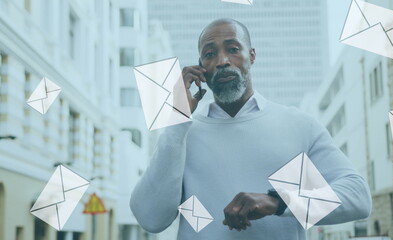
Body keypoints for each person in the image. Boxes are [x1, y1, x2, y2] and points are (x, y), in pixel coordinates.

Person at [130, 18, 372, 239]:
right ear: (201, 67)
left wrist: (278, 203)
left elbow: (358, 197)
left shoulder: (296, 125)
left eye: (233, 49)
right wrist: (177, 119)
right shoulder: (184, 133)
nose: (222, 61)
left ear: (252, 56)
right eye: (210, 54)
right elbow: (151, 219)